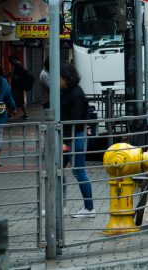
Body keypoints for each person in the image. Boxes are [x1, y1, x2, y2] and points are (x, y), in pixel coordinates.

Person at [59, 61, 94, 218]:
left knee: (78, 171)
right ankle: (60, 205)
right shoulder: (69, 91)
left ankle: (89, 208)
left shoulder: (75, 93)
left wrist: (64, 141)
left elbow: (75, 119)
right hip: (70, 137)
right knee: (58, 170)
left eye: (59, 77)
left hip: (74, 137)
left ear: (66, 77)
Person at [8, 55, 34, 120]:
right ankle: (24, 114)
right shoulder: (18, 66)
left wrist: (13, 76)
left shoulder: (18, 66)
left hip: (17, 87)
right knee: (19, 101)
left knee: (13, 100)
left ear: (13, 60)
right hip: (17, 87)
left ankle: (10, 114)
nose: (10, 62)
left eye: (11, 61)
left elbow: (19, 76)